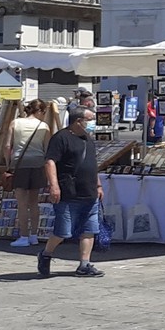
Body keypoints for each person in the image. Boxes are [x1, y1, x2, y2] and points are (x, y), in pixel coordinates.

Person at [39, 106, 104, 278]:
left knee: (89, 229)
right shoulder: (61, 138)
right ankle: (46, 254)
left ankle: (84, 264)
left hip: (89, 192)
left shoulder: (87, 138)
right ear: (78, 121)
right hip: (68, 192)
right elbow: (50, 162)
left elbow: (92, 164)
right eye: (90, 120)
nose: (93, 123)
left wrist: (98, 185)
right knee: (63, 232)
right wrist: (54, 185)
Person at [6, 99, 56, 247]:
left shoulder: (15, 123)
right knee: (34, 203)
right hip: (38, 164)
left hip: (20, 164)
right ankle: (34, 235)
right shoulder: (44, 126)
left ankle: (23, 236)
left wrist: (9, 164)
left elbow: (8, 145)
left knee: (21, 203)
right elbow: (47, 149)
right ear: (40, 111)